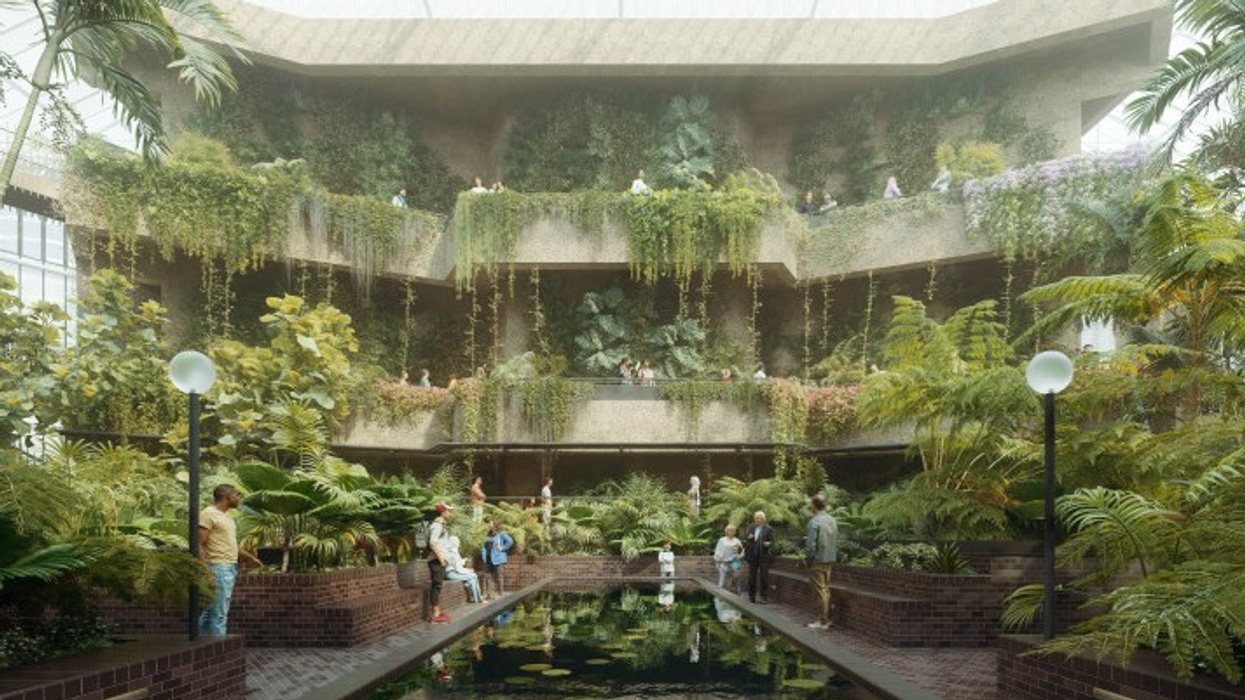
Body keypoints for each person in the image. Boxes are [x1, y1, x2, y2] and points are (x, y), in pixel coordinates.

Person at [198, 484, 262, 636]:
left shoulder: (227, 517)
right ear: (227, 497)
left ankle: (197, 646)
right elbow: (197, 543)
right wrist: (206, 569)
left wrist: (250, 558)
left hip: (229, 567)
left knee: (210, 612)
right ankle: (221, 651)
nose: (238, 498)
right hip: (218, 567)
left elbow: (232, 545)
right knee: (219, 614)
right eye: (236, 495)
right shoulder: (208, 514)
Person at [803, 494, 839, 630]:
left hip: (817, 560)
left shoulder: (814, 521)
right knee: (826, 589)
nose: (810, 507)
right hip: (829, 559)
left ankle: (822, 621)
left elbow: (810, 545)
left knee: (820, 591)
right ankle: (827, 619)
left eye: (811, 504)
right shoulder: (832, 520)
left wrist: (808, 559)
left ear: (814, 505)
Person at [427, 503, 453, 623]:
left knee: (438, 586)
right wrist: (441, 560)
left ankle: (437, 611)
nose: (450, 513)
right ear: (443, 512)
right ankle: (435, 614)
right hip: (436, 561)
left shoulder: (441, 525)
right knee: (436, 586)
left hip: (438, 561)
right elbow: (433, 543)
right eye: (449, 511)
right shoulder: (437, 526)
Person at [744, 510, 775, 604]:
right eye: (755, 517)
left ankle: (763, 597)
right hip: (752, 556)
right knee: (751, 577)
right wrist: (749, 538)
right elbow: (746, 539)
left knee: (764, 577)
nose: (755, 519)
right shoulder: (751, 527)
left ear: (762, 519)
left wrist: (769, 544)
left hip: (763, 556)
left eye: (757, 518)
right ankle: (751, 596)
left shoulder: (768, 529)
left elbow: (773, 542)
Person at [480, 519, 514, 599]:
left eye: (490, 524)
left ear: (495, 525)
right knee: (488, 577)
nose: (489, 525)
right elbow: (484, 545)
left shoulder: (501, 534)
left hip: (498, 558)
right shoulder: (488, 534)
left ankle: (500, 593)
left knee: (499, 576)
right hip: (488, 559)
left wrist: (502, 548)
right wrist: (483, 554)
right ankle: (489, 594)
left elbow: (510, 541)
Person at [444, 535, 483, 603]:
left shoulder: (455, 551)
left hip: (455, 572)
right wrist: (468, 571)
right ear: (454, 543)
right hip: (451, 573)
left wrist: (464, 561)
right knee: (473, 575)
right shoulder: (452, 552)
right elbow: (457, 568)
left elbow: (459, 563)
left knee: (472, 580)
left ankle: (476, 598)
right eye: (457, 541)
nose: (459, 542)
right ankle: (478, 599)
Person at [713, 524, 743, 590]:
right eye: (729, 530)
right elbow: (717, 551)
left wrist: (738, 557)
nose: (731, 532)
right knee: (722, 579)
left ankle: (734, 595)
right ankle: (719, 594)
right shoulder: (722, 540)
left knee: (735, 579)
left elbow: (741, 551)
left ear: (735, 532)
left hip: (734, 563)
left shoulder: (737, 541)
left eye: (732, 530)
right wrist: (721, 559)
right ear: (726, 531)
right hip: (723, 562)